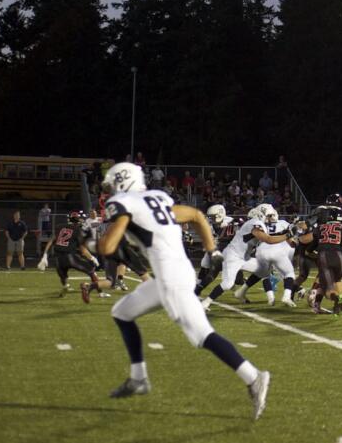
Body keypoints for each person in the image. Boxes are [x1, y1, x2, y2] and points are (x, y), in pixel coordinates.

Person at [95, 162, 270, 418]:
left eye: (112, 185)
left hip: (171, 279)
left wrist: (104, 239)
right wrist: (212, 250)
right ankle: (139, 377)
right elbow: (197, 216)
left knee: (201, 334)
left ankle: (254, 376)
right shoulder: (156, 198)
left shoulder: (125, 203)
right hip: (177, 272)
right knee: (122, 311)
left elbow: (107, 248)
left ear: (122, 182)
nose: (111, 192)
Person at [39, 210, 100, 296]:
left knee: (63, 277)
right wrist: (92, 258)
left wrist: (44, 256)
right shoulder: (77, 229)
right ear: (77, 220)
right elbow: (82, 248)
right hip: (70, 257)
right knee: (91, 271)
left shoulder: (59, 227)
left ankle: (65, 286)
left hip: (58, 259)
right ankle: (100, 292)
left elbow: (51, 241)